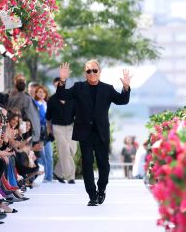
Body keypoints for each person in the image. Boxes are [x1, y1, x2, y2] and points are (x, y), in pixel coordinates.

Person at [56, 60, 132, 206]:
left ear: (99, 71)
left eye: (94, 71)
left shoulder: (108, 89)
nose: (91, 74)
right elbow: (62, 96)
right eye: (88, 71)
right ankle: (92, 195)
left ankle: (101, 190)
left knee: (104, 164)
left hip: (101, 133)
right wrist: (62, 80)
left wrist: (126, 86)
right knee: (87, 163)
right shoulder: (78, 87)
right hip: (84, 133)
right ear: (85, 73)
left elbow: (122, 100)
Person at [46, 77, 76, 184]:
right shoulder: (51, 99)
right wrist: (49, 131)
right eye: (56, 84)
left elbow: (77, 113)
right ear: (54, 85)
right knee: (64, 150)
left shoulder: (72, 98)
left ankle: (58, 173)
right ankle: (70, 177)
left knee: (72, 150)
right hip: (57, 127)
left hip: (71, 127)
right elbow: (48, 117)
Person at [34, 86, 54, 182]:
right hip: (40, 131)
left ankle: (49, 176)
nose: (41, 94)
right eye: (39, 92)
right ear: (36, 93)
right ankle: (42, 175)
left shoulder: (48, 104)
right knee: (41, 155)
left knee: (49, 154)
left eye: (43, 92)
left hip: (48, 131)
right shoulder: (35, 104)